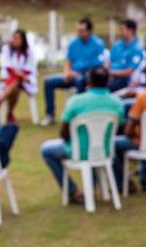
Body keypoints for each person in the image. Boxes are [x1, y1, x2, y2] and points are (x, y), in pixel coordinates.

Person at [39, 67, 123, 203]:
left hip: (79, 151)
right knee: (94, 145)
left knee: (46, 150)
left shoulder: (76, 101)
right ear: (108, 81)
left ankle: (72, 192)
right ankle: (94, 187)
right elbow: (119, 126)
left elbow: (64, 133)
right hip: (105, 150)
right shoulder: (117, 102)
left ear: (88, 80)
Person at [41, 18, 106, 125]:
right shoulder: (73, 43)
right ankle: (50, 115)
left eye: (82, 31)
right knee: (48, 81)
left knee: (80, 80)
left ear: (89, 31)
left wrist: (77, 73)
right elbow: (68, 61)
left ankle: (79, 114)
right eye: (78, 30)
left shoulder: (98, 44)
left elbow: (97, 66)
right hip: (71, 74)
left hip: (86, 76)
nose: (78, 33)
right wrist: (67, 72)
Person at [0, 29, 37, 124]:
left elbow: (29, 68)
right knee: (16, 85)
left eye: (17, 39)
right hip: (10, 79)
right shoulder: (7, 49)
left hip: (24, 80)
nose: (15, 40)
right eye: (14, 38)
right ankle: (9, 113)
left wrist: (20, 75)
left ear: (23, 40)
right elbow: (7, 66)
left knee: (17, 81)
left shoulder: (29, 52)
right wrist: (19, 75)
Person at [107, 19, 146, 92]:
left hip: (124, 80)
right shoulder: (116, 45)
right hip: (110, 76)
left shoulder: (137, 49)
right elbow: (109, 62)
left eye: (122, 29)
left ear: (130, 30)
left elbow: (129, 72)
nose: (120, 32)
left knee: (108, 86)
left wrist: (111, 73)